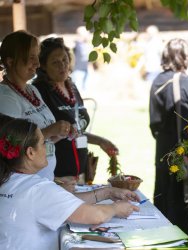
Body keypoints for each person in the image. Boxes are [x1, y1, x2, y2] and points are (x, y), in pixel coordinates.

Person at [0, 117, 139, 250]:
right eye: (43, 142)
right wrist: (116, 208)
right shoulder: (38, 189)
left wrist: (107, 192)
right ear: (30, 152)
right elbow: (96, 215)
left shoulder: (8, 180)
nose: (47, 146)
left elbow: (63, 203)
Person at [32, 37, 118, 187]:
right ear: (43, 66)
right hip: (56, 177)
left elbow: (77, 129)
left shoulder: (72, 87)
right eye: (55, 62)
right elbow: (37, 135)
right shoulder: (39, 92)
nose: (62, 65)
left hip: (81, 175)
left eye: (65, 59)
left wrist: (100, 141)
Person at [0, 30, 72, 181]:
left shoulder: (32, 90)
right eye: (31, 57)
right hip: (25, 183)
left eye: (37, 56)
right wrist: (50, 130)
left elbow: (42, 140)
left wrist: (58, 134)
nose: (37, 63)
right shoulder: (5, 97)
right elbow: (12, 144)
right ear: (10, 61)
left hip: (44, 179)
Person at [149, 38, 188, 248]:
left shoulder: (157, 81)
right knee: (186, 208)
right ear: (186, 57)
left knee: (163, 204)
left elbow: (154, 123)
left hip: (163, 154)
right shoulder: (187, 82)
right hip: (185, 156)